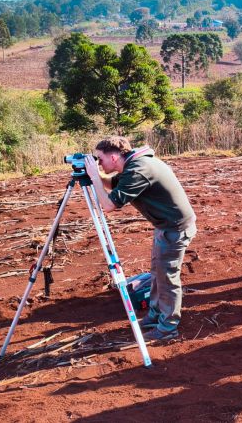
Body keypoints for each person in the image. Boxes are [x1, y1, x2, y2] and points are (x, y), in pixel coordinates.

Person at [84, 137, 197, 342]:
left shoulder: (139, 169)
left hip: (174, 228)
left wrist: (93, 177)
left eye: (99, 159)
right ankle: (155, 315)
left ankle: (168, 327)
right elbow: (111, 184)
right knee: (157, 273)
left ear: (114, 156)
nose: (98, 163)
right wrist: (96, 174)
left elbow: (109, 205)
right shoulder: (134, 165)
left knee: (167, 278)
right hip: (166, 225)